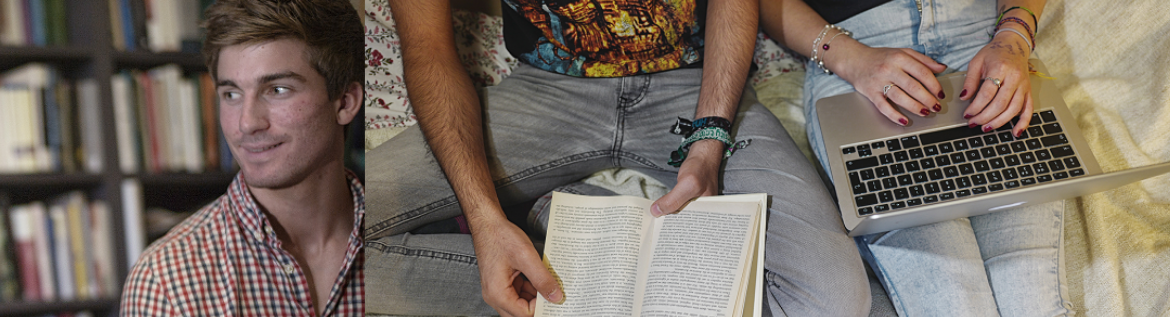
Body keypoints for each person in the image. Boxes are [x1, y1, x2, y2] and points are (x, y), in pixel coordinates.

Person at [366, 0, 870, 316]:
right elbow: (428, 50)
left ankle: (565, 217)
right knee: (332, 247)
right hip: (548, 93)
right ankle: (577, 251)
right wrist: (483, 219)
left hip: (695, 87)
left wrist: (710, 137)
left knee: (836, 301)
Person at [759, 0, 1069, 315]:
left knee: (1035, 301)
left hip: (986, 38)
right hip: (854, 52)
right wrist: (849, 57)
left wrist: (1015, 34)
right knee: (953, 304)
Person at [119, 0, 365, 315]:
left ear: (345, 102)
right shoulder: (167, 281)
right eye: (231, 95)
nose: (246, 123)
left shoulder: (412, 245)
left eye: (277, 90)